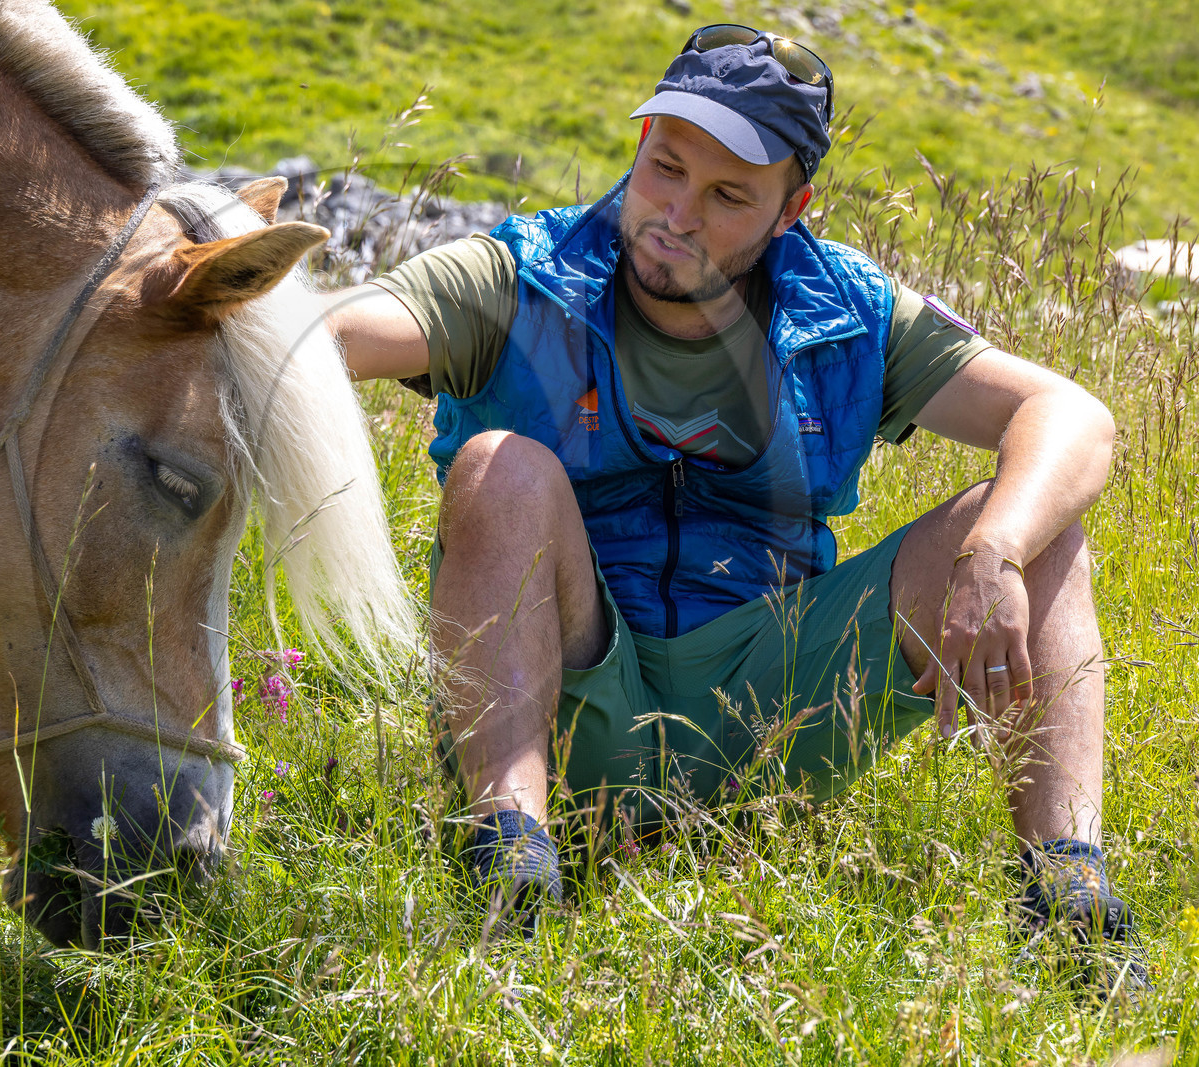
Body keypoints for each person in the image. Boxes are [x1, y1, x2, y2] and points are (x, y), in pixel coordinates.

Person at [319, 25, 1138, 971]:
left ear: (792, 210)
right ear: (641, 144)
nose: (677, 212)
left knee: (1043, 527)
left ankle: (1072, 894)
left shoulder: (848, 308)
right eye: (666, 168)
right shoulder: (521, 274)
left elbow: (1072, 413)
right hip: (575, 694)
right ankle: (510, 863)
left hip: (778, 713)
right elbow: (343, 335)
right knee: (502, 463)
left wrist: (991, 549)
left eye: (728, 195)